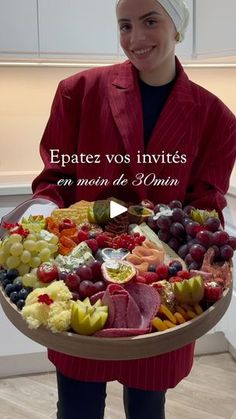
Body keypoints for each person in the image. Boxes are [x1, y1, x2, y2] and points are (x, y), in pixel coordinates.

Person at [2, 0, 236, 418]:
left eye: (150, 21)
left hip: (162, 281)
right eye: (124, 25)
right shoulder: (79, 91)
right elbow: (57, 179)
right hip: (81, 278)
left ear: (177, 27)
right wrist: (41, 213)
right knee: (77, 407)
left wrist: (204, 260)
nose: (135, 38)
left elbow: (204, 208)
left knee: (148, 406)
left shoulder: (217, 118)